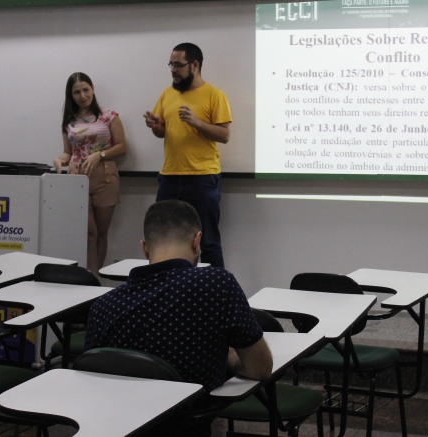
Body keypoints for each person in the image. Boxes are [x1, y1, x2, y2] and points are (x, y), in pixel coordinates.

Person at [84, 200, 272, 436]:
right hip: (187, 427)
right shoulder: (217, 285)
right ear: (197, 241)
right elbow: (260, 368)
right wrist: (229, 358)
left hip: (118, 427)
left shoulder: (102, 307)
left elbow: (92, 382)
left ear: (144, 248)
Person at [143, 43, 231, 269]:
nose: (173, 70)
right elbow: (162, 131)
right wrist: (155, 125)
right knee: (162, 239)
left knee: (207, 241)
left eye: (178, 65)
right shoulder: (167, 94)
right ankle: (167, 284)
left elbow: (224, 135)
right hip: (169, 177)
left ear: (195, 65)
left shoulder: (214, 95)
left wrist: (196, 122)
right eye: (171, 64)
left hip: (202, 178)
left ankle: (216, 287)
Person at [53, 72, 127, 275]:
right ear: (71, 95)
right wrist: (59, 160)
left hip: (105, 176)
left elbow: (122, 147)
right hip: (78, 179)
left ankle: (95, 278)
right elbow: (68, 152)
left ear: (92, 89)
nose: (82, 95)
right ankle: (90, 279)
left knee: (101, 233)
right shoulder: (69, 121)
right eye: (76, 92)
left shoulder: (109, 116)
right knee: (88, 233)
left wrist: (100, 154)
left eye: (86, 90)